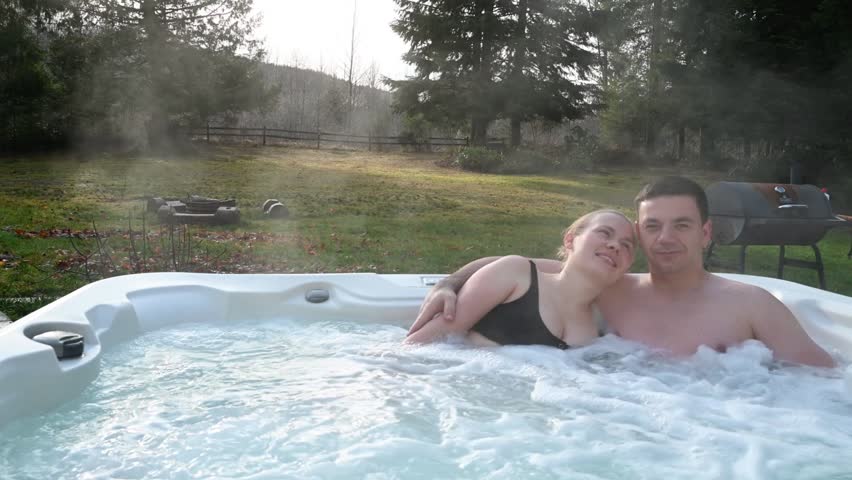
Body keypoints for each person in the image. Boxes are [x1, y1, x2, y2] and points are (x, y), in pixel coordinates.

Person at [408, 176, 835, 368]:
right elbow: (515, 267)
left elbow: (824, 377)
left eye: (681, 225)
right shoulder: (612, 287)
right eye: (651, 227)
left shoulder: (751, 305)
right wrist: (451, 282)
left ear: (706, 233)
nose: (665, 238)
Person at [405, 210, 636, 348]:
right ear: (570, 241)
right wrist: (448, 282)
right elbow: (421, 344)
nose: (615, 245)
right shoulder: (516, 274)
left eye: (627, 245)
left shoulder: (604, 319)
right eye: (604, 233)